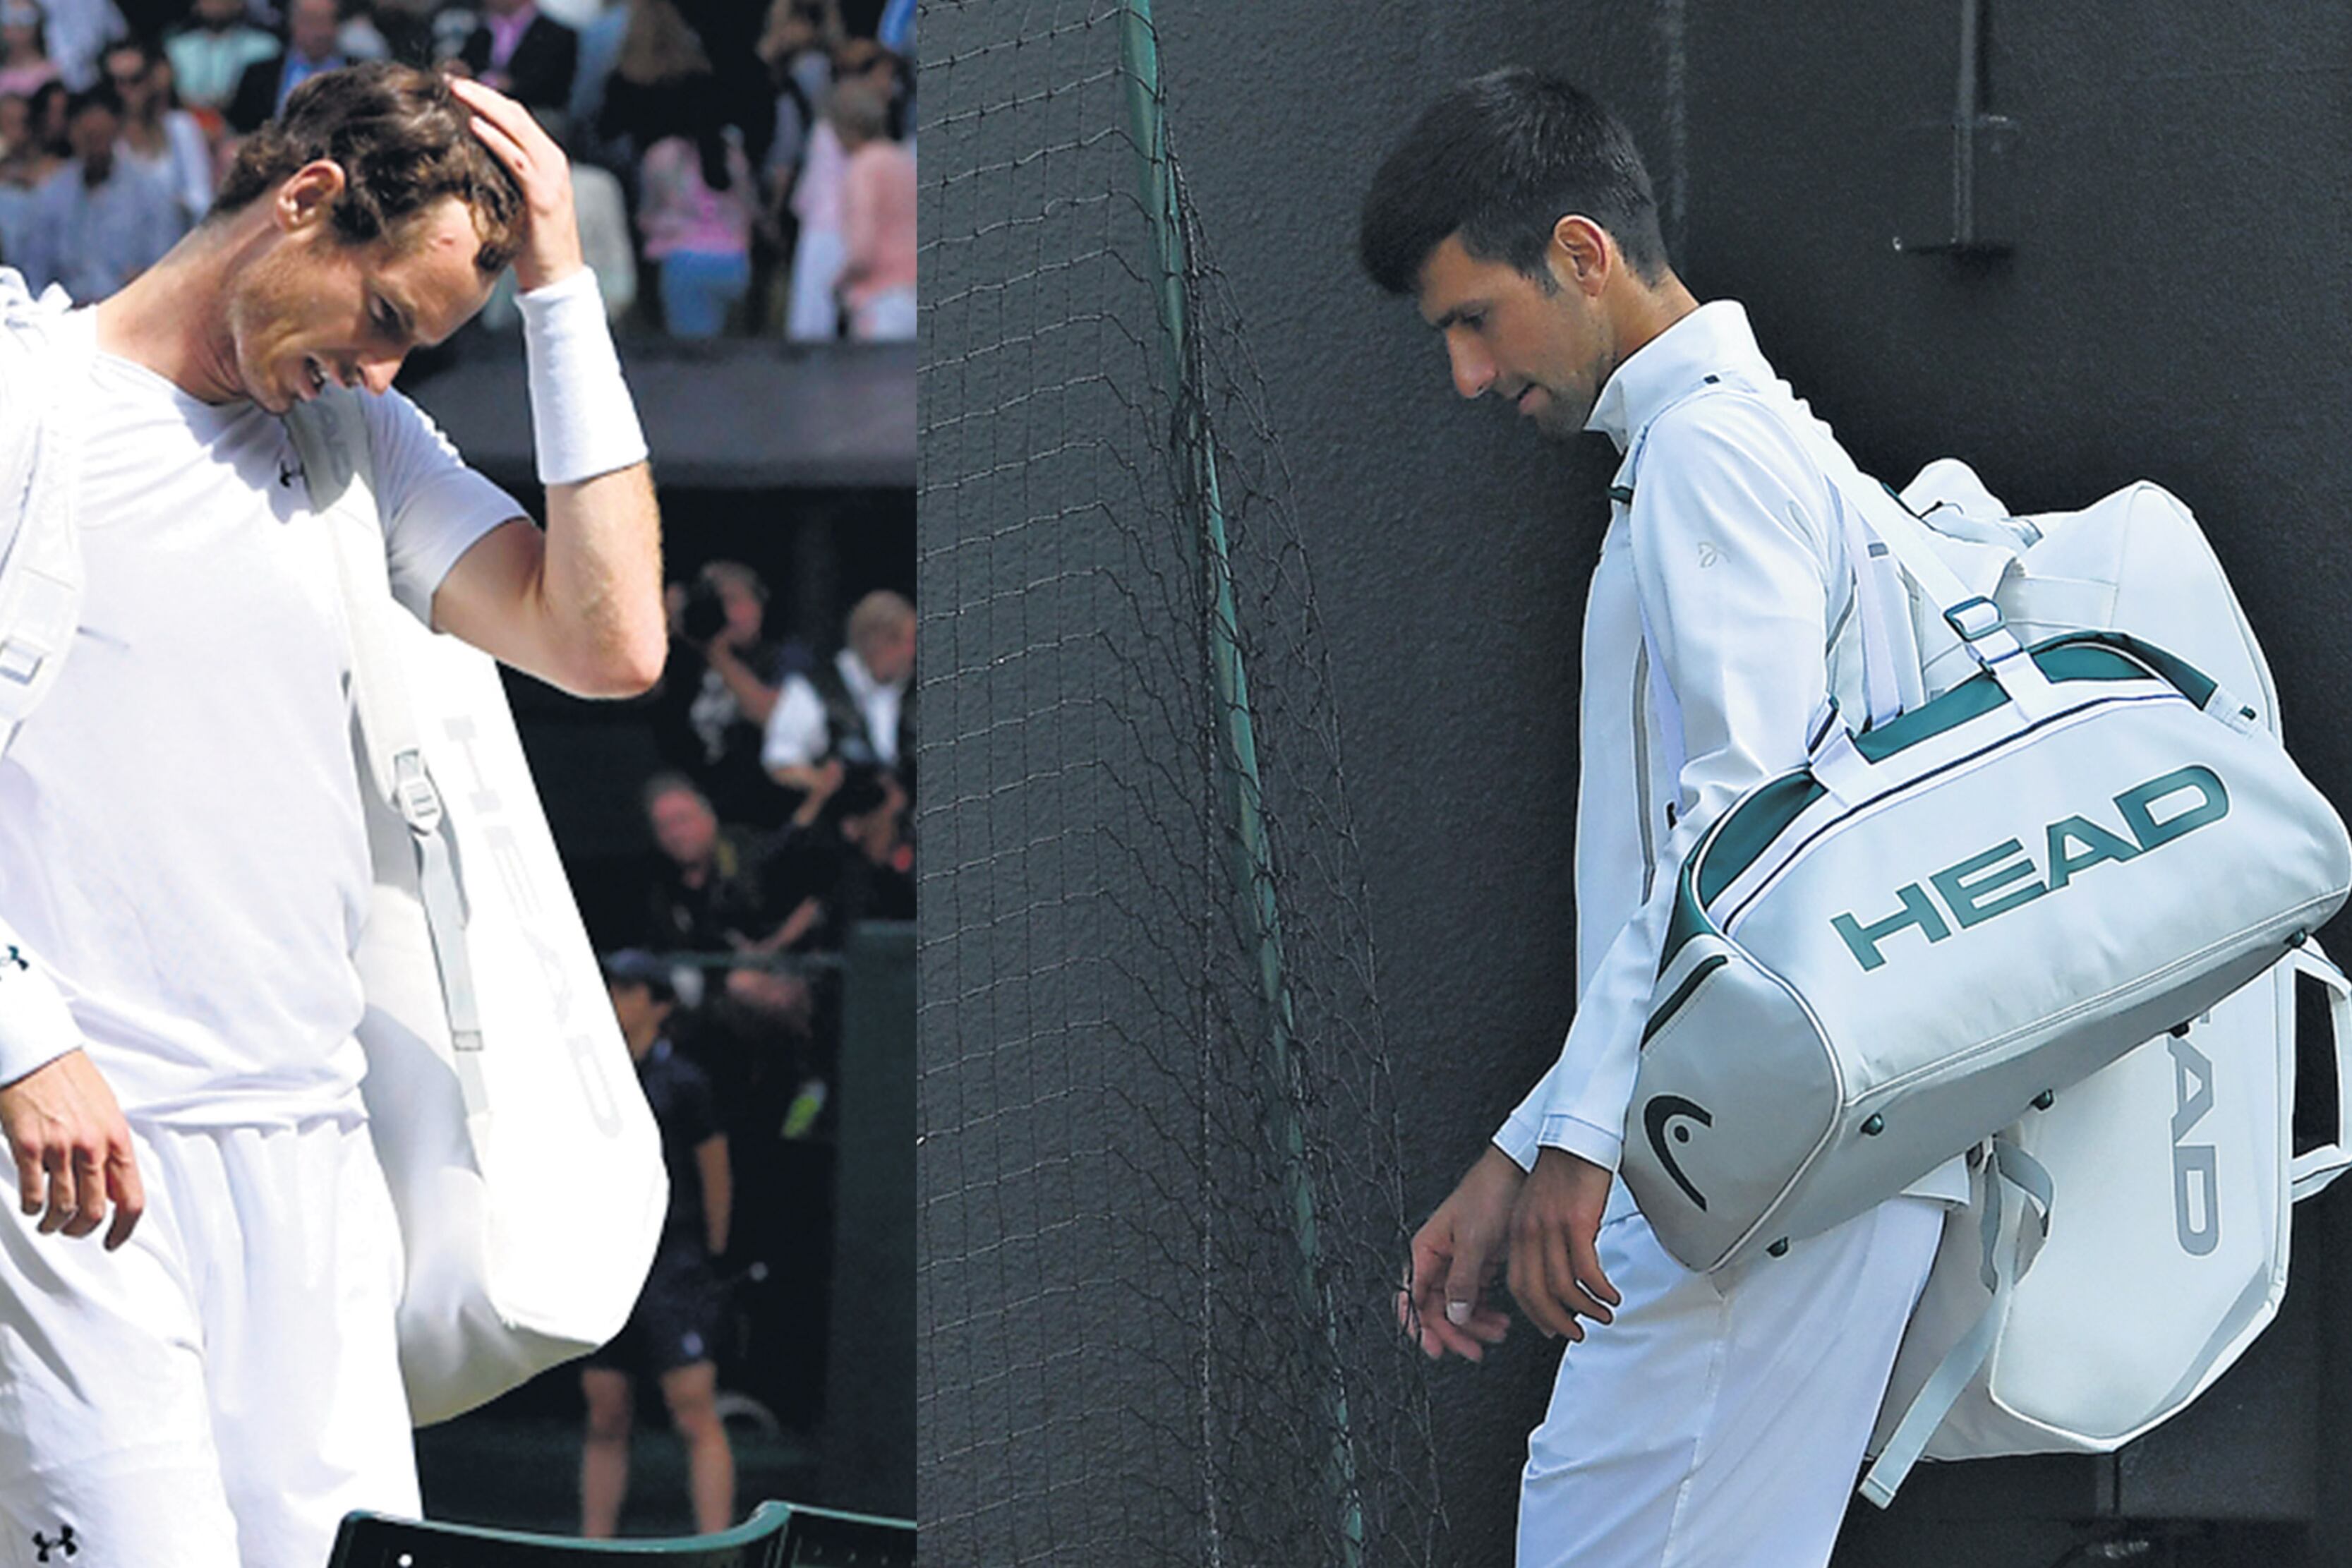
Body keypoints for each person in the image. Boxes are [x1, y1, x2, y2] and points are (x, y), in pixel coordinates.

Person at [0, 60, 663, 1568]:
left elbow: (608, 639)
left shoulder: (354, 443)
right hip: (66, 1168)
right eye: (387, 320)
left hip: (314, 1165)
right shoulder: (24, 400)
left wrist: (560, 283)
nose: (385, 370)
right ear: (306, 203)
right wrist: (21, 1045)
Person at [1358, 70, 1960, 1568]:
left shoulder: (1705, 450)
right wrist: (1524, 1145)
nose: (1466, 376)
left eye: (1470, 319)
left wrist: (1580, 1132)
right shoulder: (1752, 440)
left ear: (1579, 252)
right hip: (1795, 1141)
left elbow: (1742, 825)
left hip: (1754, 1154)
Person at [579, 949, 737, 1539]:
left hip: (675, 1265)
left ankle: (717, 1547)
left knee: (694, 1408)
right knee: (605, 1408)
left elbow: (714, 1172)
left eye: (628, 989)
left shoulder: (686, 1084)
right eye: (612, 987)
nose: (616, 999)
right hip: (609, 1263)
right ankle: (591, 1549)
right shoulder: (592, 1080)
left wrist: (710, 1256)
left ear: (659, 1004)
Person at [17, 82, 184, 301]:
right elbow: (34, 278)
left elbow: (166, 271)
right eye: (88, 137)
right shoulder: (50, 196)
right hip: (67, 318)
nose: (94, 147)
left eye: (100, 137)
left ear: (116, 130)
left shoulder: (151, 193)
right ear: (72, 134)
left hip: (129, 313)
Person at [761, 586, 914, 797]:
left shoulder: (915, 693)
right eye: (907, 642)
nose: (912, 652)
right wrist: (829, 785)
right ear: (877, 641)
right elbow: (781, 763)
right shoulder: (812, 690)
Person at [828, 74, 907, 342]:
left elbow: (863, 249)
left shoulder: (863, 168)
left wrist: (839, 281)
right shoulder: (902, 159)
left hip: (881, 299)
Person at [224, 0, 353, 134]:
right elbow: (239, 130)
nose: (317, 32)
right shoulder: (257, 75)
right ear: (292, 22)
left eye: (324, 21)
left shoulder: (360, 72)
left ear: (338, 25)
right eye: (309, 21)